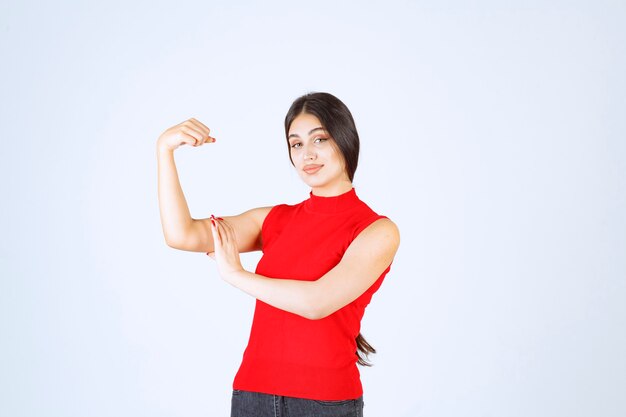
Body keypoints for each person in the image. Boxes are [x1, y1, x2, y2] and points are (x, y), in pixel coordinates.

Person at [156, 92, 400, 417]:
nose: (307, 154)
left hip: (324, 403)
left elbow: (316, 303)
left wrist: (237, 276)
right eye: (296, 144)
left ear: (345, 140)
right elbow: (182, 234)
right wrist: (164, 150)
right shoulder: (273, 219)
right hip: (252, 395)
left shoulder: (377, 231)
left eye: (320, 139)